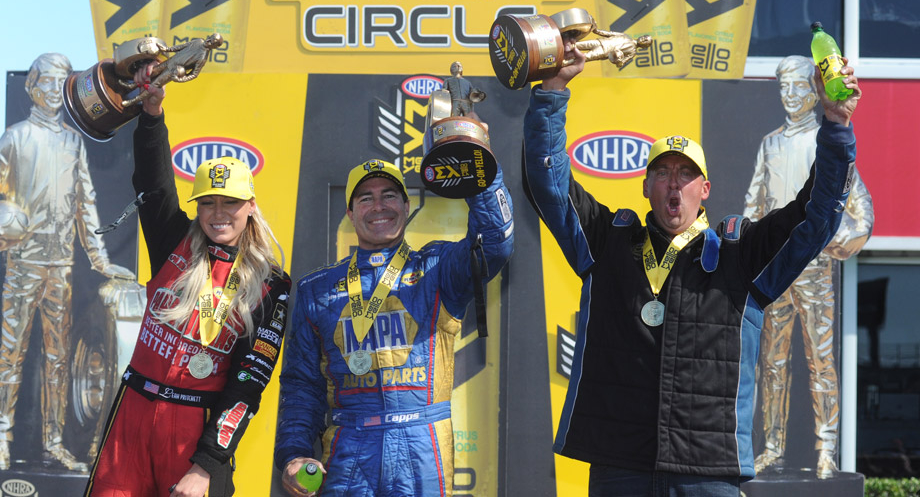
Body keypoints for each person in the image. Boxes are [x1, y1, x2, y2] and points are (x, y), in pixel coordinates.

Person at [521, 39, 861, 494]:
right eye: (663, 173)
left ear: (706, 190)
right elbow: (547, 180)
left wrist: (836, 126)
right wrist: (552, 92)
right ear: (645, 187)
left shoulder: (743, 258)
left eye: (686, 175)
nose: (674, 185)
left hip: (709, 473)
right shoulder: (607, 244)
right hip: (619, 466)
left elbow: (816, 216)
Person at [83, 63, 291, 497]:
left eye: (230, 202)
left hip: (193, 427)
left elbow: (249, 383)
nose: (218, 213)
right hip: (133, 411)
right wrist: (152, 116)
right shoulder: (173, 241)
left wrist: (206, 465)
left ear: (250, 205)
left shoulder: (272, 284)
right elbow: (154, 183)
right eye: (208, 202)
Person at [275, 158, 513, 496]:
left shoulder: (437, 269)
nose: (378, 206)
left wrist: (478, 161)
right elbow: (302, 386)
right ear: (350, 213)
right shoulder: (318, 288)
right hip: (350, 450)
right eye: (365, 198)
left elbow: (495, 243)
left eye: (388, 195)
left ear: (407, 205)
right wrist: (295, 452)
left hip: (423, 444)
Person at [0, 52, 135, 472]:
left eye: (59, 82)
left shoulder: (73, 142)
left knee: (59, 358)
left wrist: (100, 259)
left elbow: (86, 203)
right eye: (44, 82)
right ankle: (2, 439)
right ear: (31, 88)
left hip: (61, 267)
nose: (51, 91)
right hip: (22, 264)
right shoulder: (14, 138)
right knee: (10, 354)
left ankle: (54, 443)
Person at [744, 55, 874, 479]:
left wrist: (827, 238)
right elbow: (753, 204)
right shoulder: (770, 144)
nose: (791, 95)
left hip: (816, 273)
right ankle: (773, 448)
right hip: (774, 273)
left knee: (821, 361)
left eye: (800, 87)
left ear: (813, 91)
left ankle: (826, 451)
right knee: (772, 362)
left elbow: (862, 213)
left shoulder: (829, 143)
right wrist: (752, 248)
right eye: (784, 88)